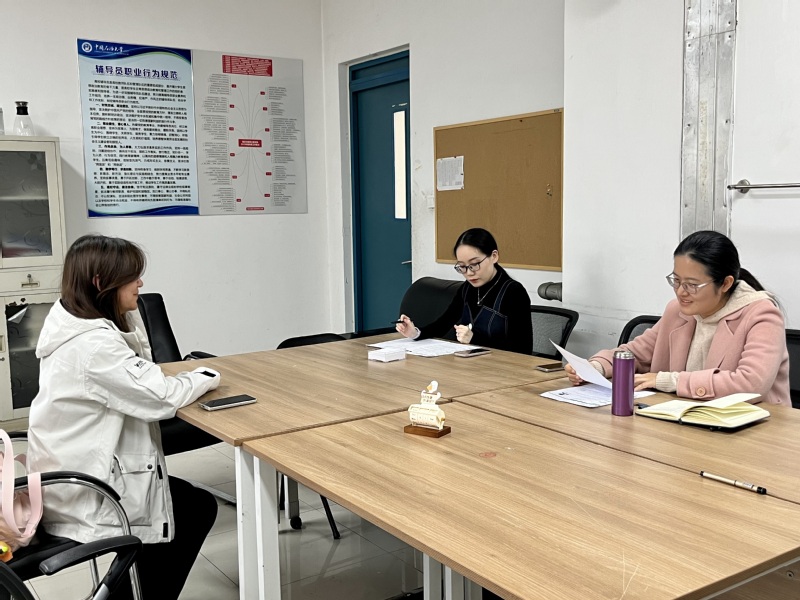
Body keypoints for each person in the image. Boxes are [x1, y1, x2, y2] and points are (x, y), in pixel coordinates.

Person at [27, 235, 222, 599]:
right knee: (192, 509)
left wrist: (126, 311)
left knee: (188, 505)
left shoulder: (76, 320)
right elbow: (161, 396)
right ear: (101, 283)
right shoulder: (92, 345)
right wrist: (207, 375)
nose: (140, 283)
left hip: (72, 472)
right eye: (132, 277)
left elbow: (141, 368)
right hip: (86, 488)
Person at [566, 230, 790, 404]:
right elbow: (635, 353)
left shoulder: (761, 314)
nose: (681, 291)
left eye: (692, 285)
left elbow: (751, 384)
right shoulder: (677, 311)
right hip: (683, 419)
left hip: (753, 429)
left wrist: (668, 380)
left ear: (725, 283)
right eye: (676, 280)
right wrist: (597, 367)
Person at [396, 228, 533, 354]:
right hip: (470, 365)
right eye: (462, 266)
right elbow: (443, 323)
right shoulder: (467, 289)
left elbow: (523, 349)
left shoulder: (514, 292)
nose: (469, 273)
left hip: (503, 368)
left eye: (474, 264)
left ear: (494, 256)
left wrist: (475, 338)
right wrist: (415, 332)